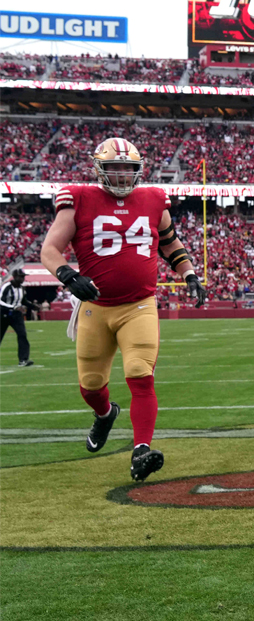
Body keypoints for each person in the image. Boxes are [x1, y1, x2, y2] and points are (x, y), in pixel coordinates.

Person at [39, 137, 207, 482]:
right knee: (90, 385)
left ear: (137, 170)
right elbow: (50, 250)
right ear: (100, 168)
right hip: (95, 307)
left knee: (140, 374)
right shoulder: (79, 198)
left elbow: (170, 242)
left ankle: (141, 450)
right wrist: (69, 275)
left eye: (127, 168)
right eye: (114, 167)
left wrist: (189, 273)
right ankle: (104, 415)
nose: (121, 175)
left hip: (139, 306)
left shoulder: (153, 200)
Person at [0, 268, 37, 367]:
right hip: (3, 313)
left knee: (22, 335)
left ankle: (23, 360)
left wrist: (33, 306)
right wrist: (13, 307)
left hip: (16, 315)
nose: (23, 279)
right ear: (15, 277)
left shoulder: (22, 288)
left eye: (23, 277)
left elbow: (23, 301)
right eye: (21, 277)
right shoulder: (6, 286)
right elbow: (1, 301)